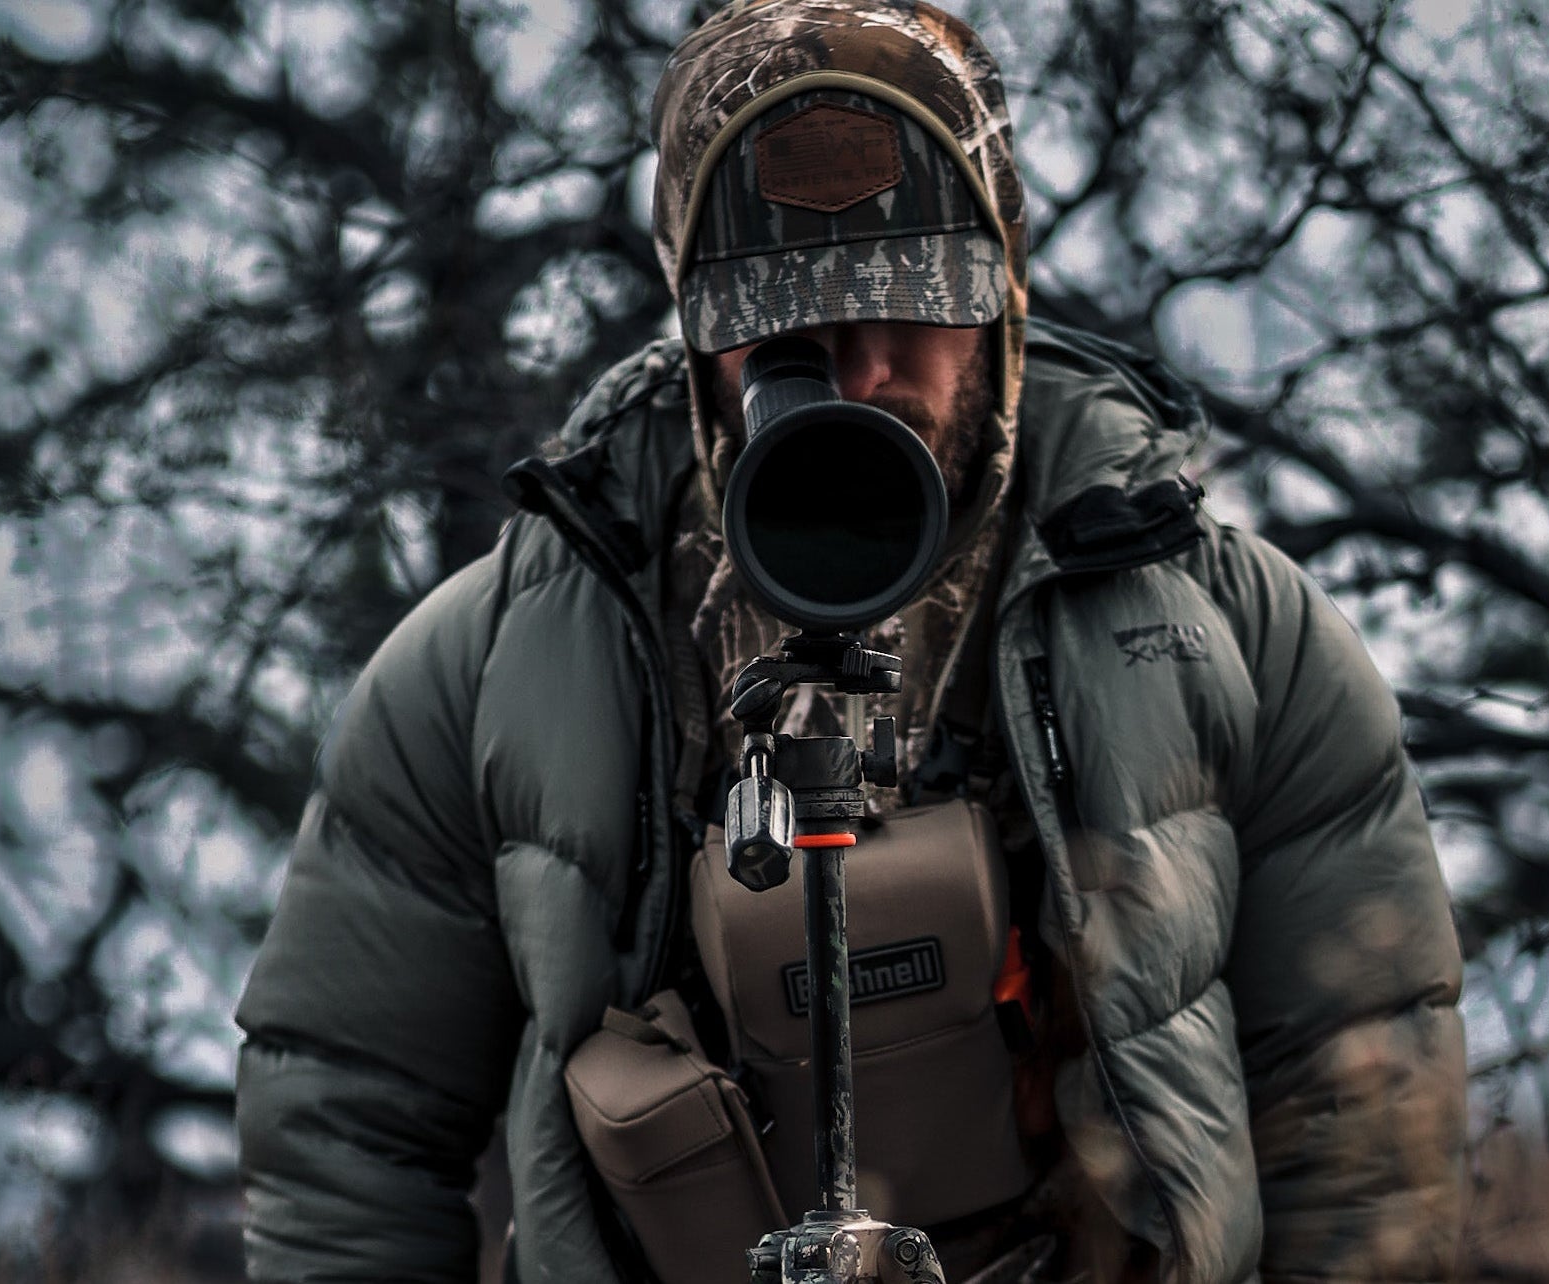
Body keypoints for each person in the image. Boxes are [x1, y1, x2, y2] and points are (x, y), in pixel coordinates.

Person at [233, 3, 1468, 1282]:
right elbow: (345, 1128)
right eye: (793, 332)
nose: (869, 371)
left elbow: (1361, 1108)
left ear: (1002, 293)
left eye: (915, 300)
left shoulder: (1227, 633)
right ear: (702, 335)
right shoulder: (504, 663)